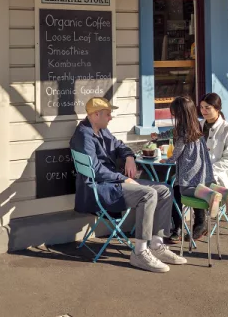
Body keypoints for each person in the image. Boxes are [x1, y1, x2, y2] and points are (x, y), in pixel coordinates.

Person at [72, 97, 186, 273]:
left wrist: (129, 157)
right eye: (108, 114)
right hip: (102, 188)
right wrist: (122, 178)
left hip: (114, 183)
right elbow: (95, 170)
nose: (111, 117)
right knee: (148, 194)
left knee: (164, 189)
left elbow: (119, 145)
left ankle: (156, 245)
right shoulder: (84, 135)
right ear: (95, 115)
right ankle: (139, 252)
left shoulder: (101, 131)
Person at [164, 97, 228, 242]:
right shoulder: (198, 124)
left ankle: (193, 224)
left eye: (207, 108)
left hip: (216, 174)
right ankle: (180, 227)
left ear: (217, 109)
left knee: (180, 188)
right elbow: (177, 133)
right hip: (201, 175)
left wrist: (204, 169)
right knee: (181, 185)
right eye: (201, 107)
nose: (203, 111)